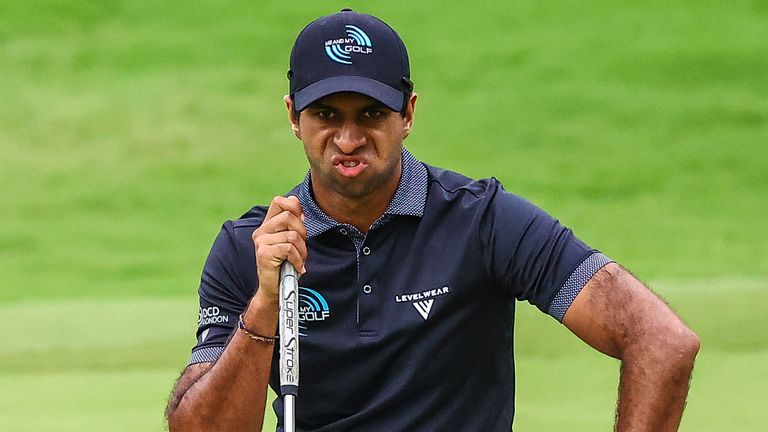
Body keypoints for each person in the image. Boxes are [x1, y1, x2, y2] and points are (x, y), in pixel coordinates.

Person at [165, 9, 699, 432]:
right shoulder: (249, 248)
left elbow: (661, 338)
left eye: (371, 114)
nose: (348, 139)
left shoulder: (484, 222)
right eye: (327, 115)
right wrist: (263, 309)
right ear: (292, 117)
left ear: (409, 114)